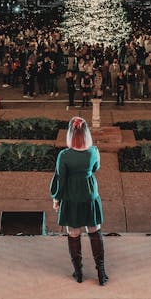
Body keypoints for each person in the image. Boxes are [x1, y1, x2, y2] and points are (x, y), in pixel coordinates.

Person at [50, 117, 108, 286]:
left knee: (73, 234)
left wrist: (56, 199)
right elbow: (95, 168)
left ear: (70, 134)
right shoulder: (94, 151)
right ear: (86, 133)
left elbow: (61, 179)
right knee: (95, 232)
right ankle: (101, 273)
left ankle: (79, 272)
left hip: (71, 197)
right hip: (90, 195)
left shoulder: (64, 155)